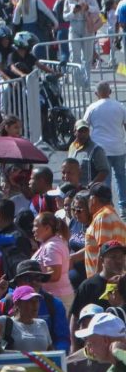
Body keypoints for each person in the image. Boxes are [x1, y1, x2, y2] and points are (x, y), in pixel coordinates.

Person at [84, 82, 126, 214]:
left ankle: (108, 207)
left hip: (100, 149)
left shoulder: (92, 107)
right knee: (121, 176)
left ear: (96, 94)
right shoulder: (120, 106)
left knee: (104, 179)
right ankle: (124, 206)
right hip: (118, 147)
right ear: (110, 92)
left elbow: (84, 126)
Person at [85, 185, 126, 279]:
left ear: (93, 199)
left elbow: (104, 252)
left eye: (88, 199)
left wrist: (97, 282)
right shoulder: (114, 217)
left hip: (104, 283)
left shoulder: (103, 217)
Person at [0, 285, 53, 352]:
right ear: (17, 303)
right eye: (30, 301)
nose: (35, 304)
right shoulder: (6, 322)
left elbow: (51, 352)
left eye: (37, 300)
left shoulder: (42, 323)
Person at [70, 120, 111, 188]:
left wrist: (91, 185)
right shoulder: (72, 147)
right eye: (80, 131)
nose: (83, 134)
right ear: (74, 132)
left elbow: (104, 171)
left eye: (85, 131)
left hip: (88, 192)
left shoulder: (96, 150)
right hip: (74, 189)